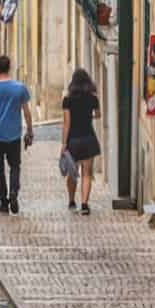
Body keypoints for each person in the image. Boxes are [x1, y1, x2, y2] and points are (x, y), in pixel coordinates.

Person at [0, 54, 33, 214]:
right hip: (14, 135)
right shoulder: (19, 88)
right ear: (9, 67)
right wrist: (30, 130)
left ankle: (3, 201)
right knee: (15, 166)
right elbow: (27, 112)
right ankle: (14, 192)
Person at [61, 68, 101, 215]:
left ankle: (72, 201)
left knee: (72, 173)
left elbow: (66, 124)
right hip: (89, 138)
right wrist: (90, 114)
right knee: (87, 173)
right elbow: (98, 115)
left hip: (73, 140)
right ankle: (84, 204)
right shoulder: (92, 98)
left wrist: (64, 144)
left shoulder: (67, 100)